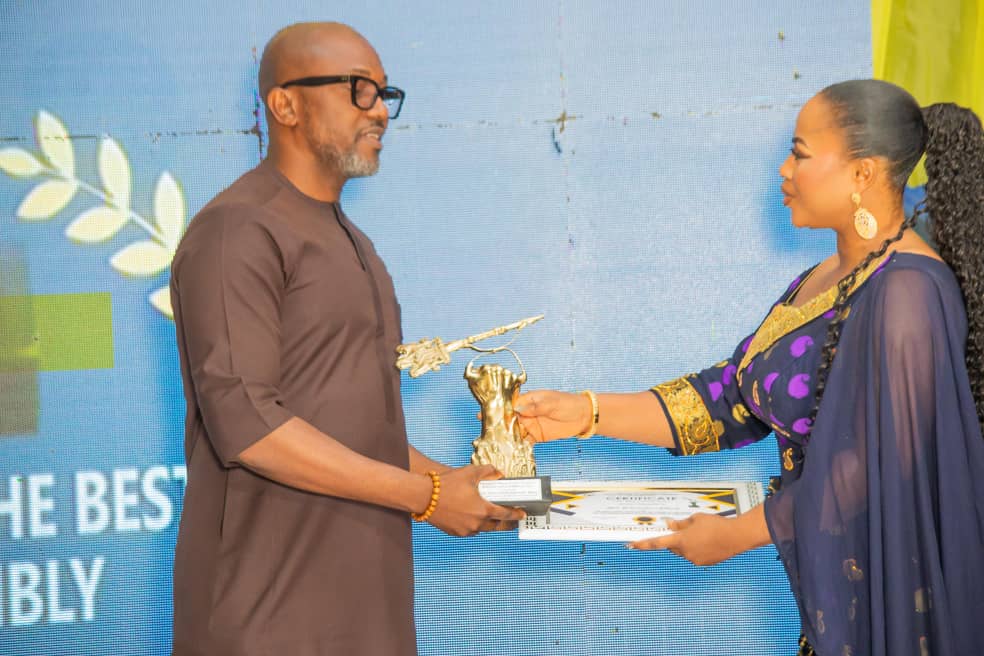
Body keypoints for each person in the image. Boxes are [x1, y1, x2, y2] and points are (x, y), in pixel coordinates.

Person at [515, 80, 984, 655]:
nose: (784, 171)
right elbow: (730, 399)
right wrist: (585, 413)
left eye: (800, 154)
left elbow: (870, 467)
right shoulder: (822, 280)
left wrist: (736, 535)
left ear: (862, 173)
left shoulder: (908, 290)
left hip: (892, 607)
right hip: (839, 601)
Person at [169, 22, 523, 656]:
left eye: (385, 94)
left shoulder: (357, 246)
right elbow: (249, 426)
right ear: (285, 105)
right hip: (268, 620)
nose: (380, 111)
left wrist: (462, 484)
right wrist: (429, 497)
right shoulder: (237, 230)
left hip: (369, 613)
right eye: (359, 89)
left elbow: (354, 429)